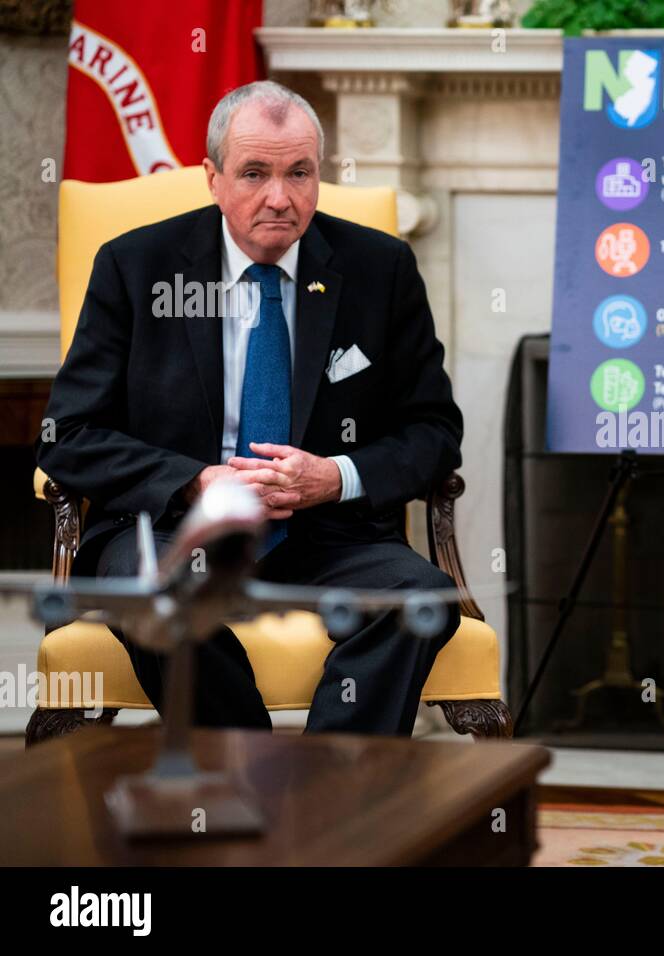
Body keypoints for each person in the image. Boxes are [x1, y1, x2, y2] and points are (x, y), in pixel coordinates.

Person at [37, 80, 464, 737]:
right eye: (255, 173)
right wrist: (198, 480)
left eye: (299, 173)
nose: (280, 197)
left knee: (419, 598)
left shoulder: (380, 268)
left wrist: (336, 477)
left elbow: (434, 430)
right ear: (212, 178)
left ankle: (331, 796)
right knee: (160, 596)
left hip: (326, 531)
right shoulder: (137, 266)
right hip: (170, 528)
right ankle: (247, 779)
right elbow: (69, 436)